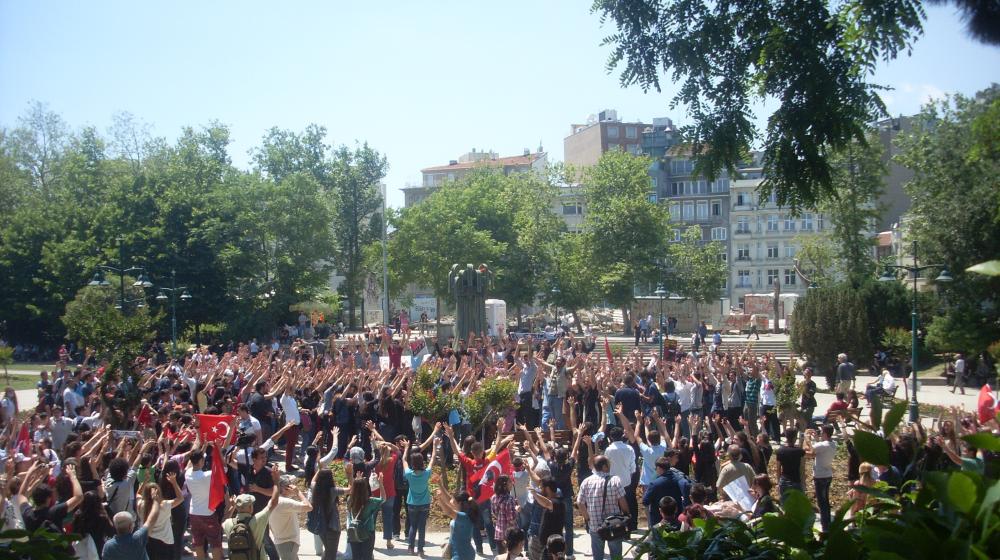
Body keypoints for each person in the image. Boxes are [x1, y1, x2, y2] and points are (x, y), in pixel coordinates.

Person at [222, 469, 282, 560]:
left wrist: (233, 506)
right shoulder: (257, 520)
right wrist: (276, 482)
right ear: (250, 508)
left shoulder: (229, 524)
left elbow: (224, 520)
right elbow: (273, 503)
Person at [576, 455, 629, 560]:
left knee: (598, 555)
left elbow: (579, 503)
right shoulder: (615, 480)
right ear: (604, 466)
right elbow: (622, 501)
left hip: (595, 524)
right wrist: (627, 514)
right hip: (614, 525)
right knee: (616, 554)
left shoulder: (586, 482)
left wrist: (587, 518)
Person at [402, 435, 438, 556]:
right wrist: (434, 445)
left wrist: (406, 448)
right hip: (424, 503)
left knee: (413, 526)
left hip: (412, 503)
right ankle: (421, 550)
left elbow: (404, 460)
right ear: (422, 461)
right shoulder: (426, 473)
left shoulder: (409, 474)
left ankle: (411, 548)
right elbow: (433, 458)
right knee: (422, 527)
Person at [102, 493, 161, 560]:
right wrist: (156, 501)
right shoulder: (138, 538)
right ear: (130, 526)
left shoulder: (108, 546)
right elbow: (151, 520)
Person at [269, 475, 313, 559]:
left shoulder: (272, 501)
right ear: (286, 489)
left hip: (281, 542)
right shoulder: (285, 502)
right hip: (288, 544)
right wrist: (298, 492)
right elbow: (309, 507)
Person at [804, 424, 836, 531]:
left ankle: (825, 526)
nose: (820, 434)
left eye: (822, 432)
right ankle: (827, 523)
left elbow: (809, 451)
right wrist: (816, 438)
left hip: (820, 477)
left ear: (825, 434)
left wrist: (807, 437)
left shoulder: (822, 446)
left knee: (821, 502)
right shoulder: (832, 444)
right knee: (825, 501)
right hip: (828, 475)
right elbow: (818, 447)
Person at [345, 477, 383, 560]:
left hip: (353, 531)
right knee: (367, 556)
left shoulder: (349, 500)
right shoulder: (370, 501)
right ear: (365, 488)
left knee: (356, 556)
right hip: (368, 532)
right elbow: (383, 499)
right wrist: (381, 483)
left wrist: (356, 481)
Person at [436, 487, 477, 560]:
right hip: (459, 553)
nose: (451, 501)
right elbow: (449, 501)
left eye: (453, 500)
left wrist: (439, 499)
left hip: (462, 555)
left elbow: (449, 512)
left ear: (459, 503)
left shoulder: (464, 516)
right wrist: (440, 484)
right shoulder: (460, 513)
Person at [775, 429, 806, 503]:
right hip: (796, 480)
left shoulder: (780, 451)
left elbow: (778, 469)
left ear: (786, 437)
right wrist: (803, 482)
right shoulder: (799, 451)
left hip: (784, 480)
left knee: (785, 505)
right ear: (795, 438)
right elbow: (802, 468)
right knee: (797, 505)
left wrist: (778, 482)